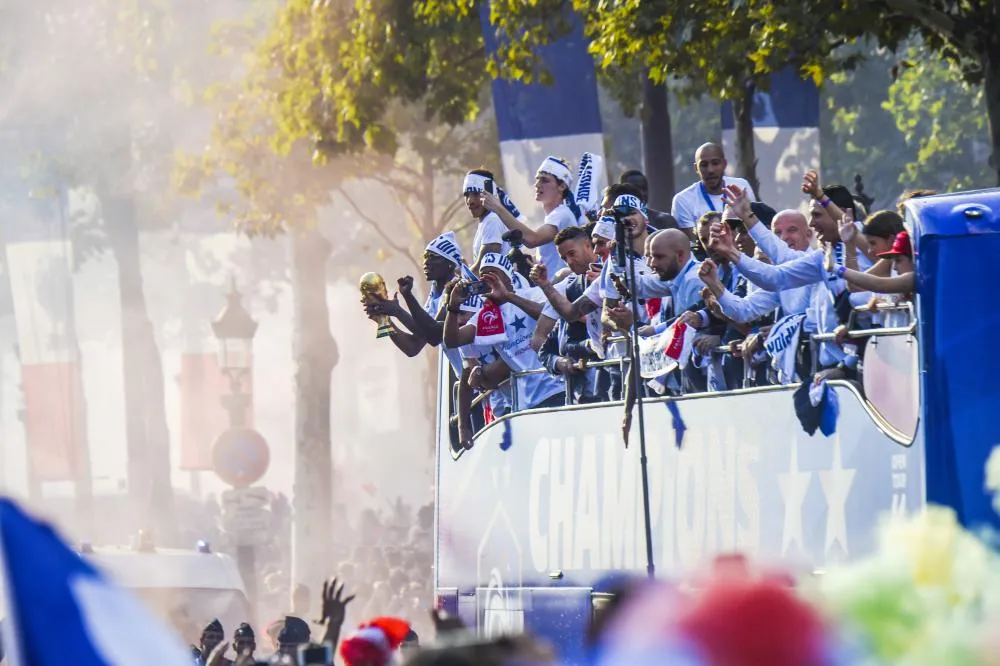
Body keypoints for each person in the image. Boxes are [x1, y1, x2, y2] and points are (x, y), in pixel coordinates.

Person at [443, 253, 566, 411]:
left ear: (508, 277)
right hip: (527, 403)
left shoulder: (533, 294)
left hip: (559, 387)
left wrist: (508, 297)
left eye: (493, 274)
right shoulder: (486, 315)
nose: (487, 279)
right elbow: (453, 340)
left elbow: (552, 315)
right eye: (483, 275)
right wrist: (452, 307)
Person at [484, 156, 581, 276]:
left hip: (558, 289)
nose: (537, 184)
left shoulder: (562, 214)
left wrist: (498, 209)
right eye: (537, 179)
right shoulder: (556, 215)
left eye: (544, 180)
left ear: (562, 186)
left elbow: (532, 239)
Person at [671, 142, 757, 239]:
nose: (710, 170)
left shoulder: (741, 186)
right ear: (696, 168)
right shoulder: (683, 200)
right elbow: (693, 243)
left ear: (724, 164)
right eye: (704, 165)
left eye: (715, 163)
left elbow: (754, 227)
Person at [463, 169, 511, 271]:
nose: (469, 201)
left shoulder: (492, 220)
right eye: (466, 195)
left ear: (489, 194)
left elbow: (484, 269)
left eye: (476, 194)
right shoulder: (487, 220)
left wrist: (462, 278)